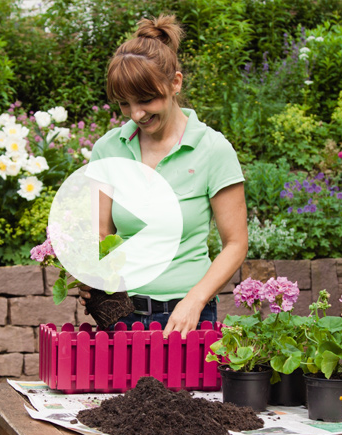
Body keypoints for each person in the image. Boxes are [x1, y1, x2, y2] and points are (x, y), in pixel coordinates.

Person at [79, 15, 247, 339]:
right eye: (125, 104)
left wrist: (195, 300)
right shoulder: (107, 150)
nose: (136, 114)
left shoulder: (213, 150)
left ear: (175, 83)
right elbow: (102, 235)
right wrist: (93, 276)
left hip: (186, 318)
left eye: (145, 100)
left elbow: (236, 243)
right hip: (122, 313)